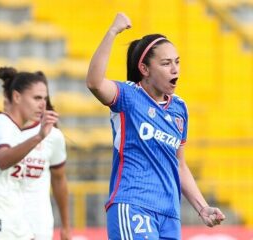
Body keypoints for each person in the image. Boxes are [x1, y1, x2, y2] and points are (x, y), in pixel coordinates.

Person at [86, 13, 226, 239]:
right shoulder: (128, 97)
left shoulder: (179, 108)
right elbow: (94, 83)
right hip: (133, 205)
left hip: (169, 216)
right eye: (166, 63)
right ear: (144, 69)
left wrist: (202, 207)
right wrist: (112, 32)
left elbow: (179, 165)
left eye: (177, 62)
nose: (175, 69)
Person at [0, 67, 59, 240]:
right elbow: (3, 159)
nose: (43, 104)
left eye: (45, 98)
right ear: (16, 97)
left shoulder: (10, 129)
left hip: (5, 225)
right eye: (37, 98)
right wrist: (39, 137)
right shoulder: (2, 124)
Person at [20, 96, 71, 240]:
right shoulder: (4, 132)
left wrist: (66, 226)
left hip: (39, 225)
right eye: (35, 97)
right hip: (7, 222)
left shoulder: (53, 136)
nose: (40, 103)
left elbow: (59, 180)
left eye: (42, 97)